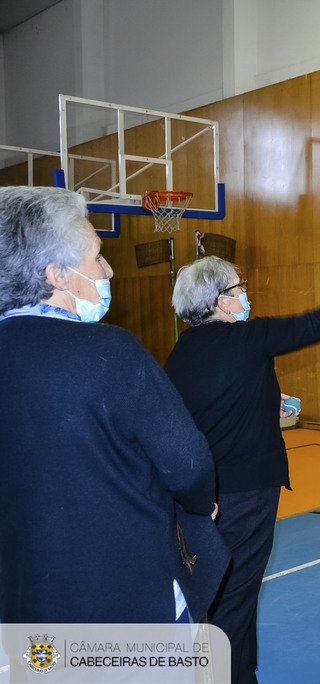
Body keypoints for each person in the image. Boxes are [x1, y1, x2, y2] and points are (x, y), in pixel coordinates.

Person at [0, 186, 225, 625]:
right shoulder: (109, 350)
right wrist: (201, 504)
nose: (109, 269)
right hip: (123, 592)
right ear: (57, 274)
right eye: (98, 256)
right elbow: (188, 461)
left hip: (24, 599)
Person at [165, 255, 320, 683]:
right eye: (239, 288)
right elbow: (313, 324)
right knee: (235, 598)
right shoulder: (247, 338)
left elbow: (206, 406)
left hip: (200, 497)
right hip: (246, 493)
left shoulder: (182, 352)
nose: (244, 294)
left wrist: (270, 399)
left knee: (218, 595)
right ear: (222, 301)